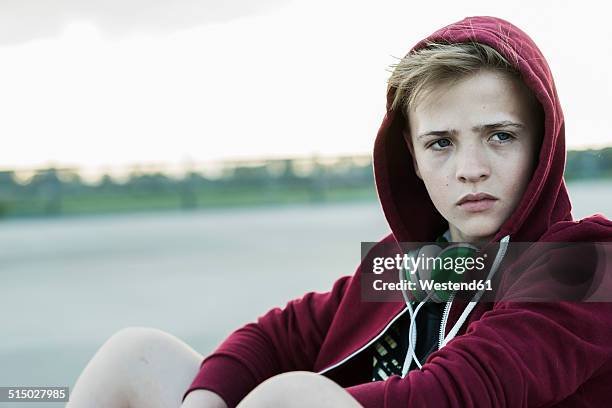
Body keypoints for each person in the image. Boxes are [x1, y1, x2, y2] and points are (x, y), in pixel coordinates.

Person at [67, 15, 612, 408]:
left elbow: (461, 392)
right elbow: (277, 335)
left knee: (294, 397)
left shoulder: (584, 262)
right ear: (413, 159)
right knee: (136, 354)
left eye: (500, 136)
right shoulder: (420, 261)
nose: (470, 168)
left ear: (543, 146)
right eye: (441, 143)